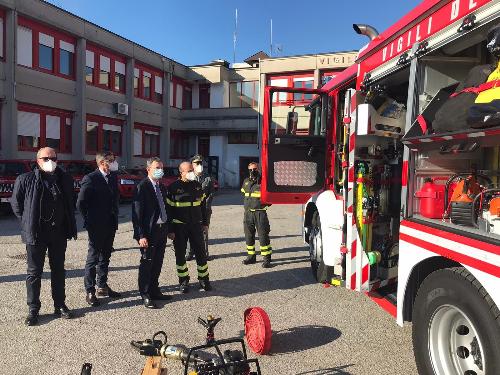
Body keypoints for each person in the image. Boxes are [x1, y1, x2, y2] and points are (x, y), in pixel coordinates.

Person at [11, 147, 77, 326]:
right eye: (46, 158)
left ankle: (60, 304)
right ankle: (33, 309)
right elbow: (16, 205)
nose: (50, 161)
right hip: (37, 233)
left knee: (58, 270)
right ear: (38, 160)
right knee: (34, 272)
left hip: (58, 233)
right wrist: (28, 222)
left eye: (53, 158)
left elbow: (70, 202)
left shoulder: (64, 178)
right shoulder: (25, 179)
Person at [77, 151, 121, 307]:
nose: (114, 162)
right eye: (111, 160)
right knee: (93, 258)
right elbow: (81, 203)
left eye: (114, 159)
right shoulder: (91, 178)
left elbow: (114, 198)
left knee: (105, 256)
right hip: (96, 225)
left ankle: (102, 286)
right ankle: (90, 290)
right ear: (103, 163)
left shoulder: (112, 176)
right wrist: (89, 221)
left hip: (110, 223)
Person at [132, 157, 171, 309]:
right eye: (157, 167)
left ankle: (155, 290)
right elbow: (137, 214)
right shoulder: (142, 186)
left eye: (161, 167)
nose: (160, 170)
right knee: (147, 263)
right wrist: (140, 235)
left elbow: (165, 208)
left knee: (158, 262)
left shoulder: (161, 186)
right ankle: (145, 293)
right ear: (148, 169)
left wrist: (169, 229)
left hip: (162, 230)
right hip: (149, 232)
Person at [166, 161, 211, 293]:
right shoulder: (173, 188)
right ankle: (183, 281)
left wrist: (205, 223)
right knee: (180, 255)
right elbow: (168, 210)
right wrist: (170, 230)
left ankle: (204, 279)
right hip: (180, 227)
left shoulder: (197, 186)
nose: (192, 172)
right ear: (181, 173)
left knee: (201, 253)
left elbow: (204, 207)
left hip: (196, 225)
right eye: (189, 170)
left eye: (192, 169)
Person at [241, 162, 272, 268]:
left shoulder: (264, 181)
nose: (252, 171)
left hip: (260, 213)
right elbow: (244, 194)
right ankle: (251, 257)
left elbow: (270, 197)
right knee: (248, 236)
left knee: (263, 236)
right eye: (250, 169)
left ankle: (266, 259)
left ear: (259, 169)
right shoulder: (246, 182)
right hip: (248, 213)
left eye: (255, 169)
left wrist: (264, 207)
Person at [186, 154, 215, 261]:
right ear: (192, 164)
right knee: (190, 230)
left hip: (205, 209)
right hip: (191, 209)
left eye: (201, 163)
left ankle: (204, 253)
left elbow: (211, 194)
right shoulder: (188, 177)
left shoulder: (208, 178)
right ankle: (189, 252)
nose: (199, 165)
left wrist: (204, 206)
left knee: (204, 231)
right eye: (197, 163)